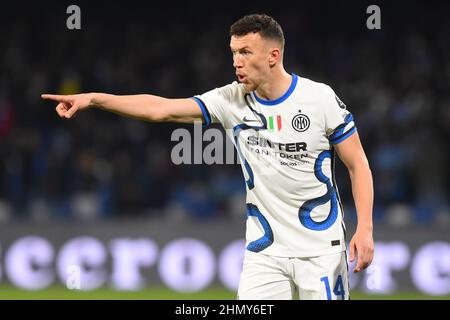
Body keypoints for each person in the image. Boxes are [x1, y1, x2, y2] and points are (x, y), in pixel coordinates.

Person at [42, 14, 374, 300]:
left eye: (245, 52)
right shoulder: (230, 99)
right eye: (233, 53)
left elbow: (357, 163)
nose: (236, 62)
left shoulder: (319, 99)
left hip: (320, 250)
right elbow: (162, 110)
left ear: (273, 55)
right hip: (264, 253)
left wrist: (365, 228)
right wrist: (96, 99)